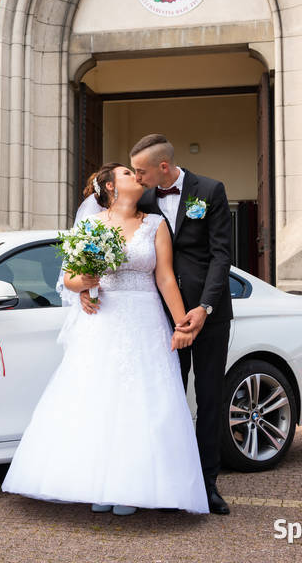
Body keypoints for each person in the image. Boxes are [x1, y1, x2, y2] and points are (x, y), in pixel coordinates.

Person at [1, 162, 209, 515]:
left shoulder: (156, 225)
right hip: (103, 321)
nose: (136, 178)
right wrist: (85, 284)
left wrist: (181, 324)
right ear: (111, 186)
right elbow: (69, 278)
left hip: (145, 320)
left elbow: (165, 279)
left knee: (142, 403)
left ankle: (132, 488)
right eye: (128, 174)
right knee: (98, 400)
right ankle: (98, 484)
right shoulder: (91, 226)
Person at [83, 133, 234, 515]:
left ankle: (208, 485)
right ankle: (169, 483)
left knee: (211, 398)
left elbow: (220, 257)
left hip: (207, 314)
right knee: (167, 401)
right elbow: (110, 249)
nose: (138, 176)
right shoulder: (143, 199)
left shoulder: (210, 191)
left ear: (163, 167)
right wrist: (85, 287)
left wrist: (204, 309)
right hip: (160, 317)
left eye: (141, 170)